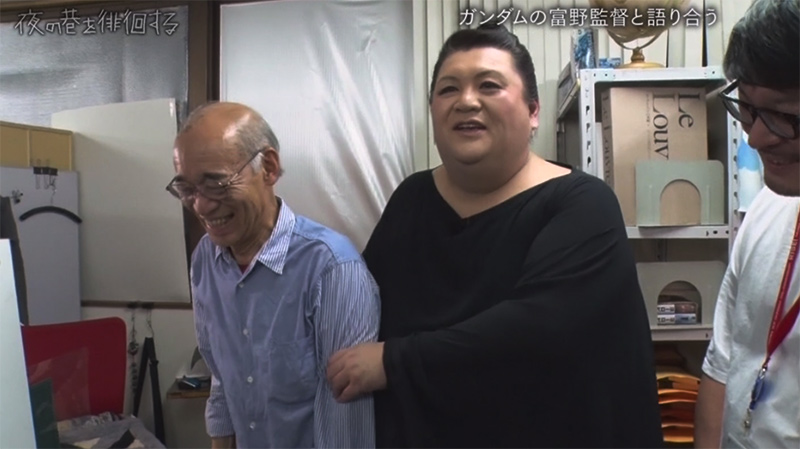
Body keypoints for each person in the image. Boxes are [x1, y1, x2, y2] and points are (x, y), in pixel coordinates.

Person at [325, 22, 663, 448]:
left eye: (489, 85)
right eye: (448, 89)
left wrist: (392, 361)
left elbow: (539, 330)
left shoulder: (583, 204)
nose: (466, 101)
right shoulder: (412, 199)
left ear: (533, 111)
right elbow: (361, 303)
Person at [169, 102, 380, 448]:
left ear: (268, 168)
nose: (201, 206)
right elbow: (222, 380)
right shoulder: (206, 259)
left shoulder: (332, 269)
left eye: (216, 183)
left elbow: (345, 424)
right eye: (187, 189)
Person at [695, 1, 800, 448]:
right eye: (750, 110)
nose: (755, 137)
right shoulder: (766, 210)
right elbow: (723, 364)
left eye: (782, 115)